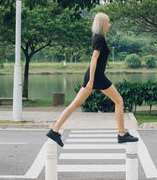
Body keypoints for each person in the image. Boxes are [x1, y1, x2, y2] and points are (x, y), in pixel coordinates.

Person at [46, 12, 138, 147]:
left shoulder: (98, 37)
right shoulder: (99, 38)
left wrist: (91, 79)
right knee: (119, 100)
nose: (110, 25)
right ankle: (122, 134)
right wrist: (91, 80)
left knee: (75, 104)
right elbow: (94, 59)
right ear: (102, 24)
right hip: (97, 76)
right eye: (108, 23)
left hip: (94, 76)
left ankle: (54, 130)